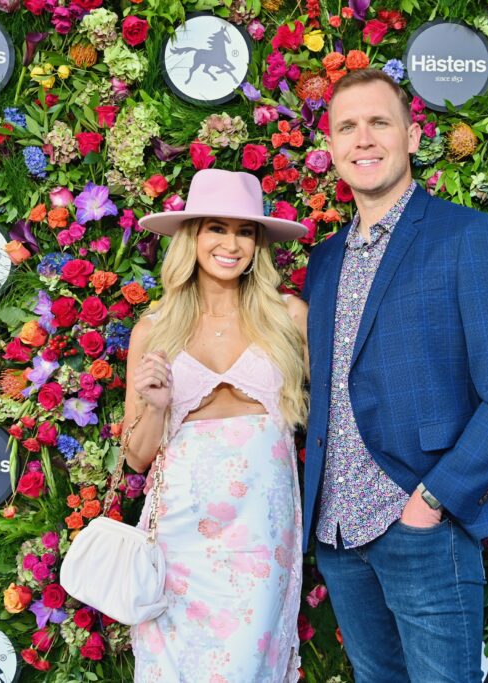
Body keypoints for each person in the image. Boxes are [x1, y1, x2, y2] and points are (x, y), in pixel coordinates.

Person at [301, 69, 488, 682]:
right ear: (330, 147)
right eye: (347, 127)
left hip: (418, 524)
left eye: (379, 123)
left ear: (412, 136)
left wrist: (432, 500)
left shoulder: (468, 236)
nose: (364, 139)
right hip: (335, 530)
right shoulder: (324, 259)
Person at [124, 169, 309, 683]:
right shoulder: (155, 328)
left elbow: (348, 407)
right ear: (192, 237)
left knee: (248, 665)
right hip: (180, 536)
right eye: (216, 228)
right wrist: (157, 405)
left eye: (245, 232)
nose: (231, 244)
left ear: (259, 244)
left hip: (260, 534)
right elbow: (136, 457)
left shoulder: (289, 317)